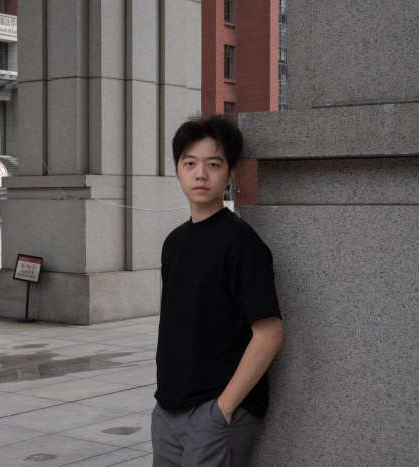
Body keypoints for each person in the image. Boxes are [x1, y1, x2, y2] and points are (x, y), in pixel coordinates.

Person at [152, 115, 284, 466]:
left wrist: (222, 409)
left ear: (230, 174)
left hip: (215, 411)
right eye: (190, 163)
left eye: (213, 164)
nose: (200, 174)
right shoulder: (174, 242)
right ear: (178, 170)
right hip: (168, 409)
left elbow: (269, 333)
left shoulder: (242, 245)